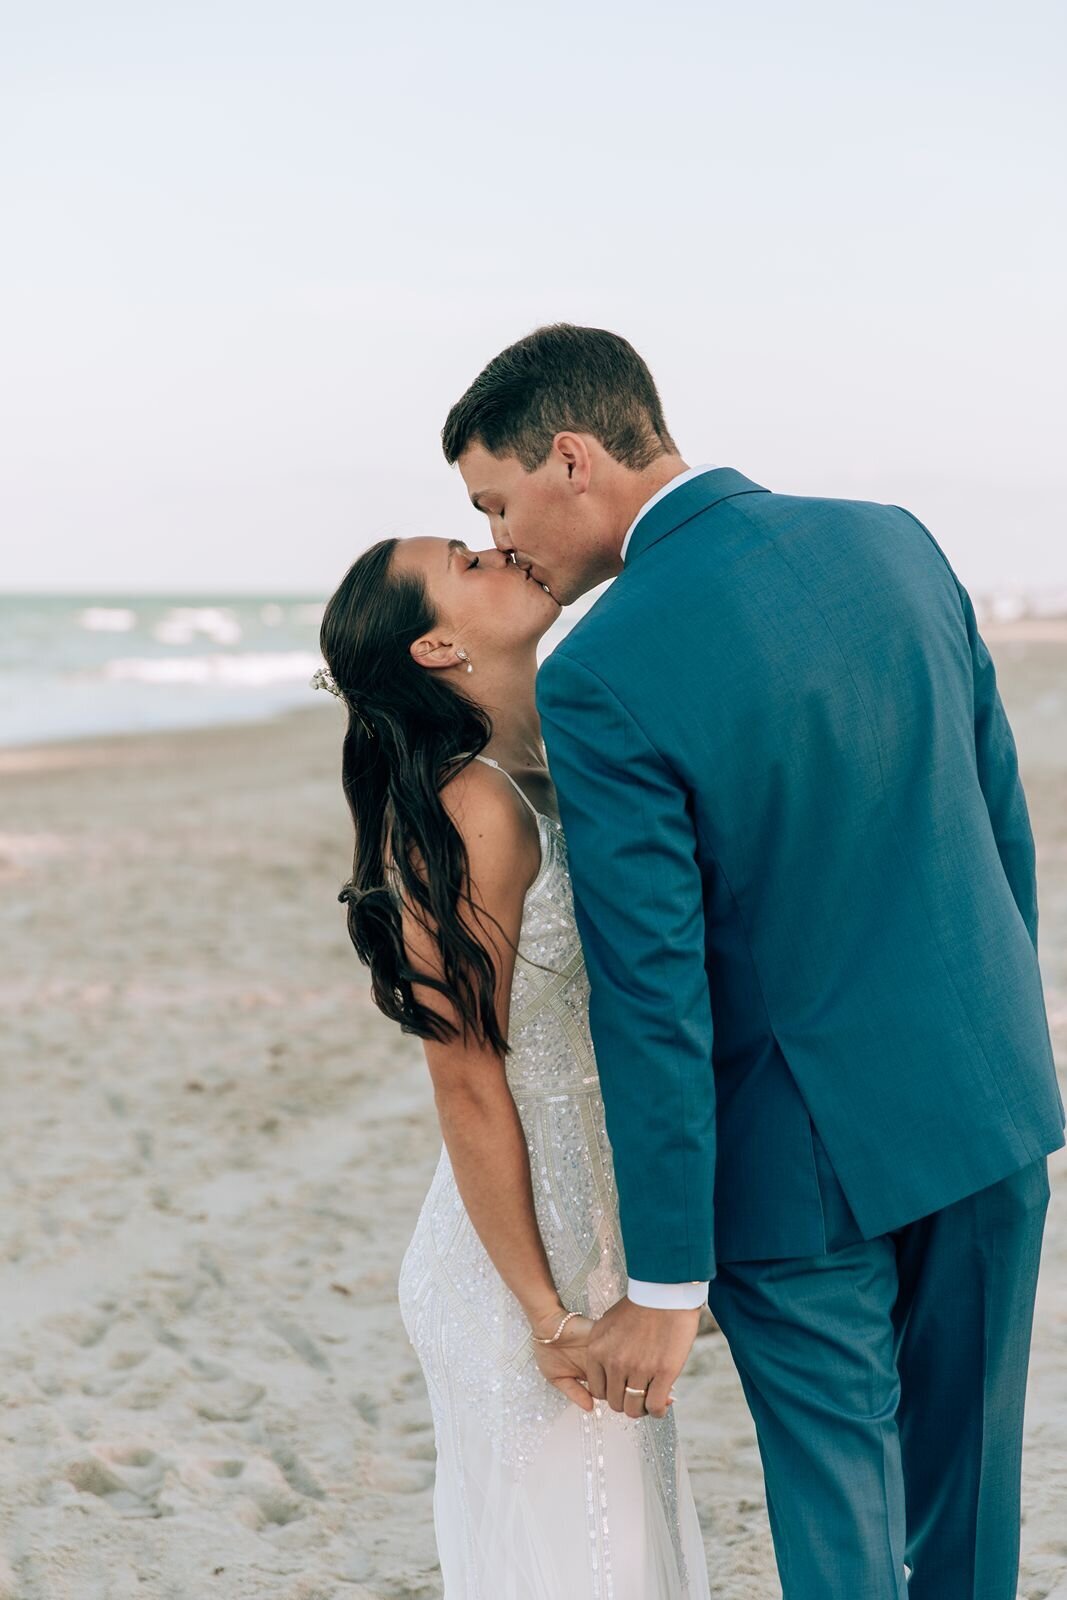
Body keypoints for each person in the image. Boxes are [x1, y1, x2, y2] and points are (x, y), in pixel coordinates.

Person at [434, 321, 1065, 1600]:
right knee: (969, 1507)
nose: (504, 542)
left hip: (800, 1167)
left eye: (497, 503)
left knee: (839, 1525)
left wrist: (667, 1276)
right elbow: (998, 827)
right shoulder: (893, 537)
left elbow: (650, 987)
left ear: (571, 459)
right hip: (984, 1104)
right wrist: (997, 1044)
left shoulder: (600, 669)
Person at [316, 527, 710, 1597]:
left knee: (628, 1551)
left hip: (597, 1244)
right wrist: (547, 1314)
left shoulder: (559, 758)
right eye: (466, 560)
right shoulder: (472, 804)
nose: (500, 548)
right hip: (517, 1275)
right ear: (439, 647)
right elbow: (465, 1077)